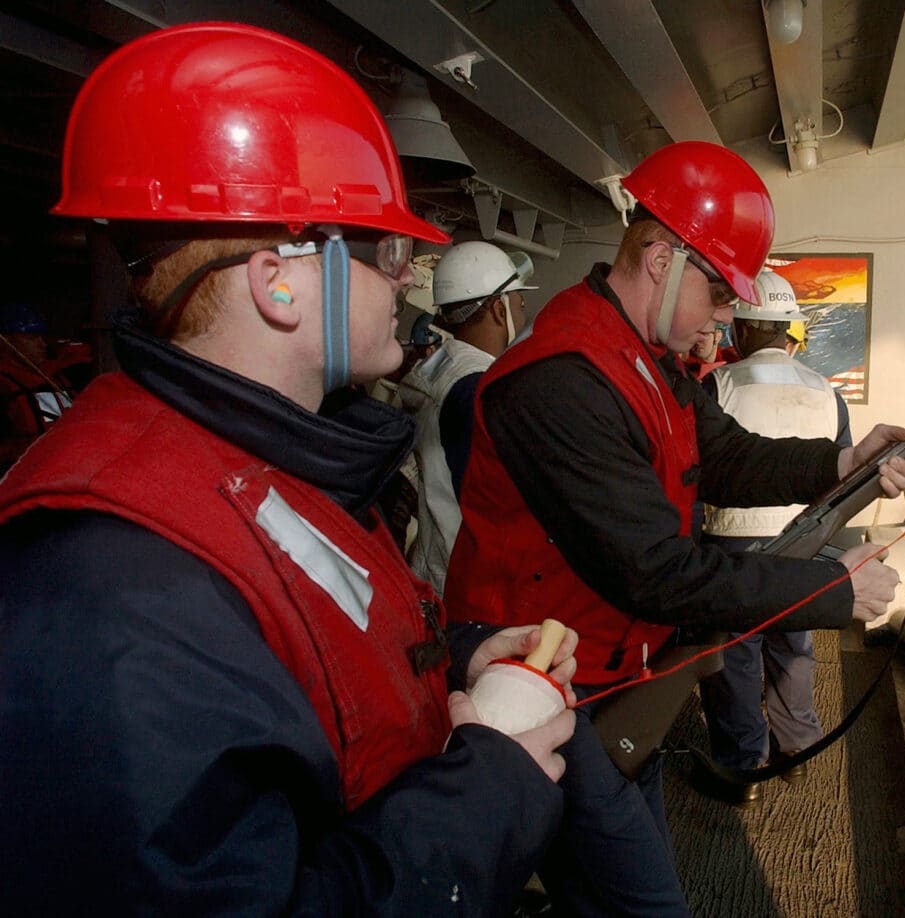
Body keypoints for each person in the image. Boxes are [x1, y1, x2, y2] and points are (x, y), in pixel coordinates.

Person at [0, 23, 576, 914]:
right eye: (389, 254)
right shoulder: (111, 587)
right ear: (280, 284)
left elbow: (292, 652)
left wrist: (450, 660)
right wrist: (485, 794)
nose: (407, 281)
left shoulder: (268, 452)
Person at [442, 139, 905, 915]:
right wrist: (832, 589)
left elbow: (730, 456)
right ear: (660, 256)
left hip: (622, 682)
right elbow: (656, 572)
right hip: (550, 689)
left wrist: (844, 462)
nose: (726, 311)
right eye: (717, 289)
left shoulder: (647, 360)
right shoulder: (564, 379)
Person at [695, 269, 852, 807]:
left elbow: (695, 474)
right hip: (803, 544)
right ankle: (797, 750)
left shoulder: (716, 385)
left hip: (732, 542)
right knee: (794, 646)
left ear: (739, 332)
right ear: (793, 333)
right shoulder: (829, 393)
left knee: (735, 656)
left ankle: (742, 767)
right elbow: (842, 482)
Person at [397, 241, 533, 594]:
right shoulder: (478, 391)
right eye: (520, 301)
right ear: (499, 311)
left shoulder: (439, 365)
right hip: (467, 584)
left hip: (433, 563)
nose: (523, 311)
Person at [0, 302, 93, 472]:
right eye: (31, 337)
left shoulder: (57, 375)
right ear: (7, 341)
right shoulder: (4, 387)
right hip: (26, 476)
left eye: (42, 337)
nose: (42, 344)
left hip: (70, 467)